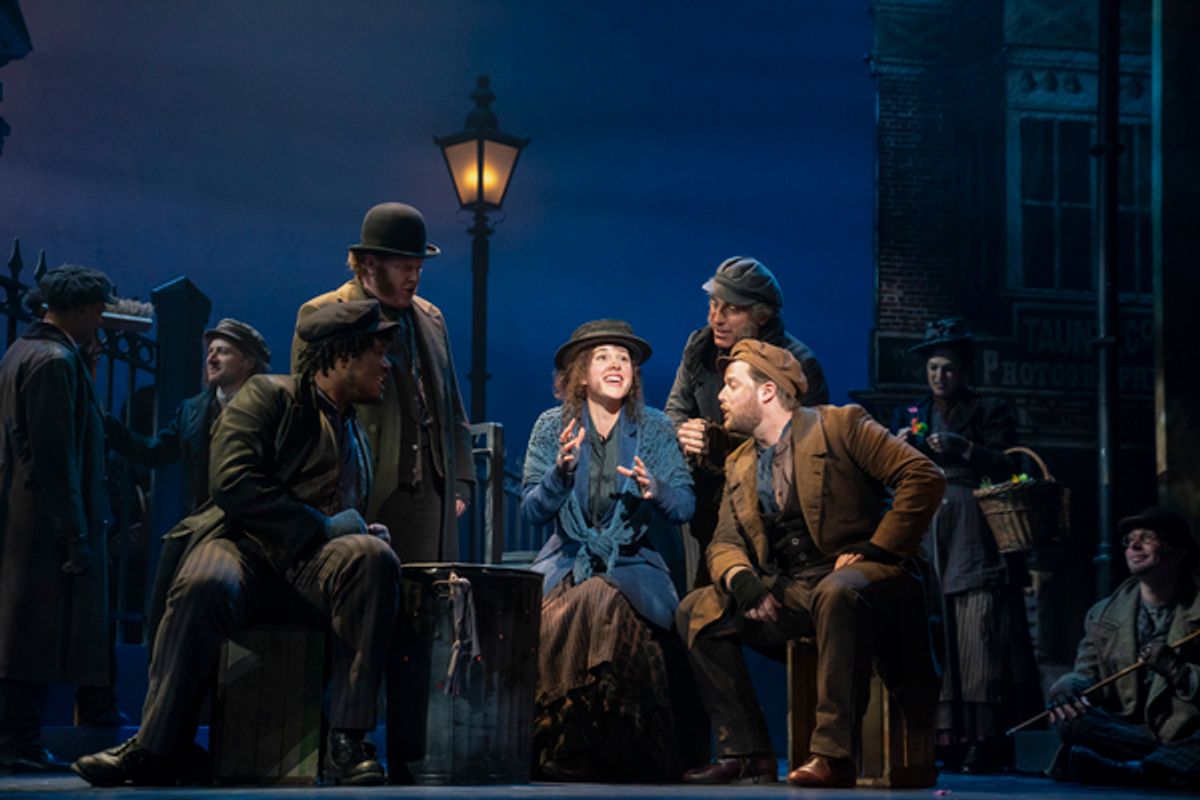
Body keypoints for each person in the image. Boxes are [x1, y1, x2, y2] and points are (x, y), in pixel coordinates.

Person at [72, 300, 403, 787]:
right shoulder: (269, 395)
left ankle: (348, 740)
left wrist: (356, 533)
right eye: (378, 351)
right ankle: (154, 746)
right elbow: (233, 482)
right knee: (205, 580)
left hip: (308, 568)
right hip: (241, 545)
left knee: (375, 557)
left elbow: (342, 517)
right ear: (343, 354)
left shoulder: (356, 432)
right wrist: (322, 526)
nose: (387, 364)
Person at [678, 340, 943, 788]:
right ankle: (746, 752)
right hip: (794, 585)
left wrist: (879, 548)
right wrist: (743, 581)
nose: (720, 396)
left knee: (837, 592)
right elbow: (724, 540)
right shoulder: (741, 461)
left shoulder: (841, 425)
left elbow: (923, 476)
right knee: (697, 611)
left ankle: (834, 754)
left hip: (869, 577)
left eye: (731, 385)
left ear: (766, 391)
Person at [521, 320, 696, 782]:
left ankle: (611, 746)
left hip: (633, 563)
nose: (617, 364)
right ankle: (563, 743)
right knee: (576, 604)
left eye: (624, 358)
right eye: (603, 356)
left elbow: (684, 504)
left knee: (604, 598)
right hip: (566, 561)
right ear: (580, 373)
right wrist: (559, 475)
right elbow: (533, 511)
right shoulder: (551, 426)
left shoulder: (653, 427)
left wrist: (653, 488)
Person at [892, 317, 1042, 772]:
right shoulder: (912, 413)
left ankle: (983, 735)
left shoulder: (989, 410)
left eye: (950, 369)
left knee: (976, 623)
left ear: (964, 371)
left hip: (973, 521)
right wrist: (898, 446)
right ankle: (943, 735)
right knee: (936, 625)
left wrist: (964, 449)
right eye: (934, 369)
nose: (941, 378)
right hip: (928, 520)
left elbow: (1007, 463)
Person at [293, 202, 472, 564]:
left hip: (429, 492)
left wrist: (462, 480)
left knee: (426, 597)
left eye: (418, 268)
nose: (415, 278)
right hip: (365, 485)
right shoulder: (326, 313)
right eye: (405, 267)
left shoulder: (430, 316)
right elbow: (307, 411)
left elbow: (450, 403)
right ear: (370, 264)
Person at [0, 265, 115, 773]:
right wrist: (75, 534)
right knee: (32, 633)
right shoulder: (51, 361)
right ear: (84, 309)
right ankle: (17, 742)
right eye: (98, 311)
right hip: (44, 522)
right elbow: (54, 456)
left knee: (22, 629)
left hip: (26, 514)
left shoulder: (27, 351)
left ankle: (18, 739)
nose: (101, 320)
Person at [105, 317, 271, 646]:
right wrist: (110, 427)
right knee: (165, 606)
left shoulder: (272, 405)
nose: (211, 358)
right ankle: (162, 673)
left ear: (248, 361)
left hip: (254, 526)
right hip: (203, 521)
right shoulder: (192, 409)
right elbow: (155, 452)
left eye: (222, 351)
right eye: (210, 351)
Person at [665, 256, 828, 588]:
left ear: (762, 314)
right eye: (713, 304)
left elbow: (803, 447)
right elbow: (674, 411)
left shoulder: (797, 364)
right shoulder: (699, 348)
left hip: (771, 509)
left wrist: (720, 441)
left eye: (731, 310)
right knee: (702, 602)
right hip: (707, 501)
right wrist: (683, 432)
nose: (716, 318)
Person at [1045, 506, 1200, 789]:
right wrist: (1067, 686)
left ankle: (1136, 769)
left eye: (1147, 538)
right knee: (1073, 721)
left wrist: (1176, 670)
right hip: (1128, 730)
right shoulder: (1103, 615)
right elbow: (1087, 674)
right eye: (1129, 541)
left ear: (1177, 551)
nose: (1134, 547)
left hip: (1185, 729)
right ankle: (1164, 766)